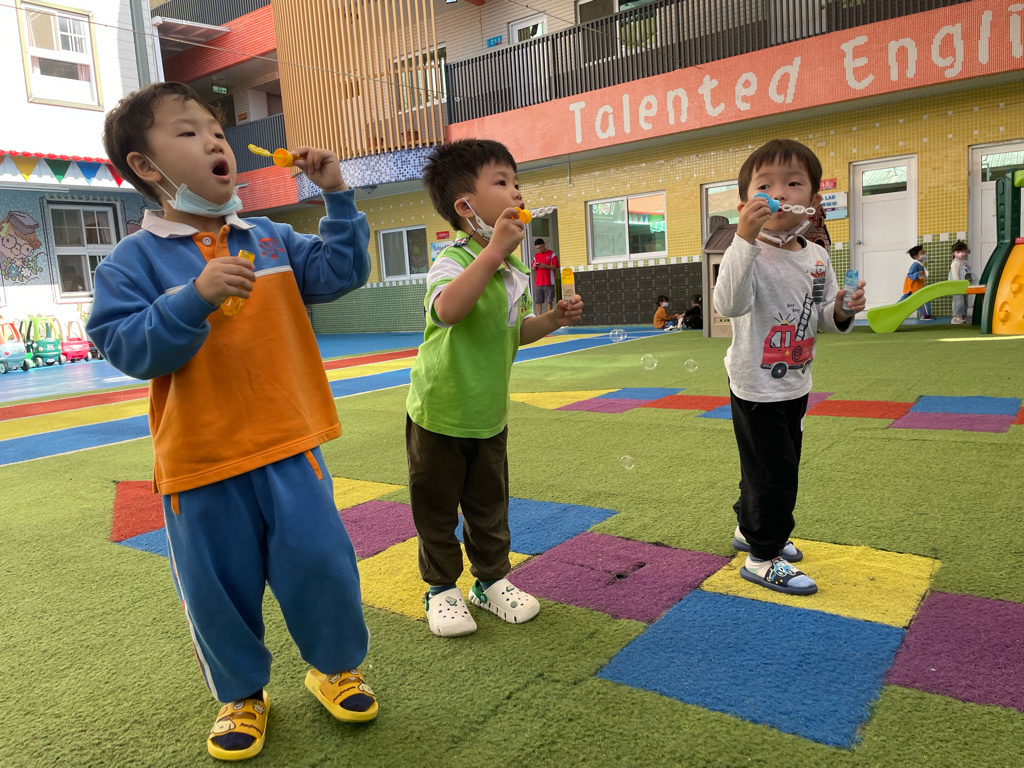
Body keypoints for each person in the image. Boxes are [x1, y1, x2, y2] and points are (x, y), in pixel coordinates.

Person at [87, 82, 377, 761]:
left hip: (290, 443)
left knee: (323, 566)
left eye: (216, 130)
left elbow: (341, 271)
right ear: (146, 167)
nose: (215, 141)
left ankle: (335, 667)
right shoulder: (131, 262)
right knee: (216, 589)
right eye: (188, 132)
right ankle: (242, 694)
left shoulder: (268, 237)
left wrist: (337, 196)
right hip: (200, 462)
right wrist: (192, 298)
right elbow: (127, 348)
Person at [410, 139, 584, 637]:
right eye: (502, 182)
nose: (517, 191)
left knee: (489, 505)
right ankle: (441, 588)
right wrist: (492, 252)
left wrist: (551, 319)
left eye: (516, 181)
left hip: (488, 415)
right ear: (466, 206)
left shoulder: (515, 270)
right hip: (439, 412)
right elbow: (448, 310)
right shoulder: (452, 260)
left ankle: (489, 581)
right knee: (437, 507)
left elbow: (515, 332)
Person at [713, 139, 866, 596]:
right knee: (775, 472)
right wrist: (742, 239)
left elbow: (821, 317)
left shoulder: (816, 256)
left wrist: (842, 309)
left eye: (793, 183)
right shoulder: (747, 253)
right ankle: (763, 555)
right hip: (754, 383)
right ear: (745, 204)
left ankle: (750, 529)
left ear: (812, 202)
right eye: (765, 186)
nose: (780, 193)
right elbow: (728, 304)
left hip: (795, 381)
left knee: (771, 465)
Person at [899, 245, 932, 320]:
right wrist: (918, 275)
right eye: (922, 253)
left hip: (916, 287)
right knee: (922, 301)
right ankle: (925, 315)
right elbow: (910, 274)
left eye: (924, 252)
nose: (924, 254)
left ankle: (926, 315)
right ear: (915, 257)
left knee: (904, 300)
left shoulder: (920, 264)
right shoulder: (915, 265)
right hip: (914, 288)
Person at [948, 240, 974, 324]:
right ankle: (956, 317)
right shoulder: (955, 263)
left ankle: (963, 316)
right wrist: (957, 284)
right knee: (958, 300)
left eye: (963, 251)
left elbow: (969, 272)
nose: (961, 254)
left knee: (964, 300)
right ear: (953, 253)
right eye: (958, 252)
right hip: (957, 285)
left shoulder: (964, 262)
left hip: (964, 284)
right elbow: (955, 274)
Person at [531, 238, 559, 314]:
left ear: (544, 245)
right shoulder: (536, 256)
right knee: (538, 301)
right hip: (538, 282)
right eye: (537, 248)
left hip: (549, 281)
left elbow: (556, 266)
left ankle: (548, 317)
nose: (539, 250)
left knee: (549, 301)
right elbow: (533, 269)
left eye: (541, 247)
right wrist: (534, 266)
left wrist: (545, 266)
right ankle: (539, 317)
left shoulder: (552, 254)